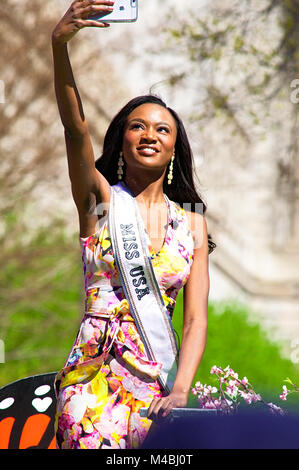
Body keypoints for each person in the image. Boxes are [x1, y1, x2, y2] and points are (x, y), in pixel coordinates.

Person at [52, 0, 216, 450]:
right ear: (121, 140)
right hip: (92, 386)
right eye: (138, 126)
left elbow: (196, 318)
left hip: (158, 391)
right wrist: (59, 48)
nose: (149, 135)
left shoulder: (193, 225)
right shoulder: (100, 204)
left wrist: (181, 389)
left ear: (174, 148)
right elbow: (74, 131)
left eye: (162, 130)